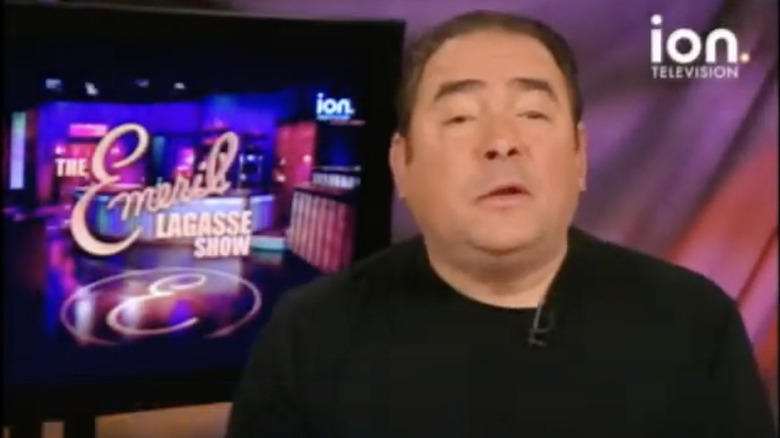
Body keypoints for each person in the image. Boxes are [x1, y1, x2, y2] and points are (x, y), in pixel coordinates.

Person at [226, 10, 776, 437]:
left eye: (533, 114)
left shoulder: (693, 323)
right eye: (460, 117)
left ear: (580, 157)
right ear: (402, 164)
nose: (501, 142)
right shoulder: (309, 335)